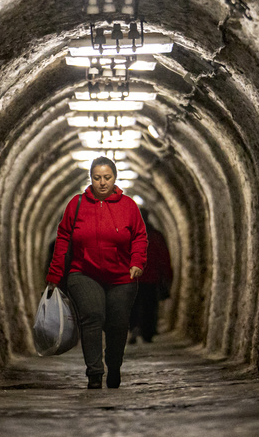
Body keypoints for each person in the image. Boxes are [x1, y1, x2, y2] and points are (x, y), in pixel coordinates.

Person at [46, 156, 146, 389]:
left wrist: (137, 262)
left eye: (107, 177)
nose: (102, 182)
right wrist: (54, 273)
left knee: (117, 324)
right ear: (90, 178)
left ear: (115, 178)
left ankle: (114, 366)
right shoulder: (77, 204)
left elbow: (140, 236)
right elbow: (62, 238)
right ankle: (94, 373)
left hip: (122, 277)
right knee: (91, 317)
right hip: (84, 273)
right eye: (97, 177)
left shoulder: (128, 206)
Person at [129, 212, 173, 343]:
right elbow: (164, 257)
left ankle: (134, 328)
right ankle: (147, 331)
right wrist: (167, 275)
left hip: (133, 279)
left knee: (133, 306)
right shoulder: (156, 235)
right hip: (150, 278)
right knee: (149, 306)